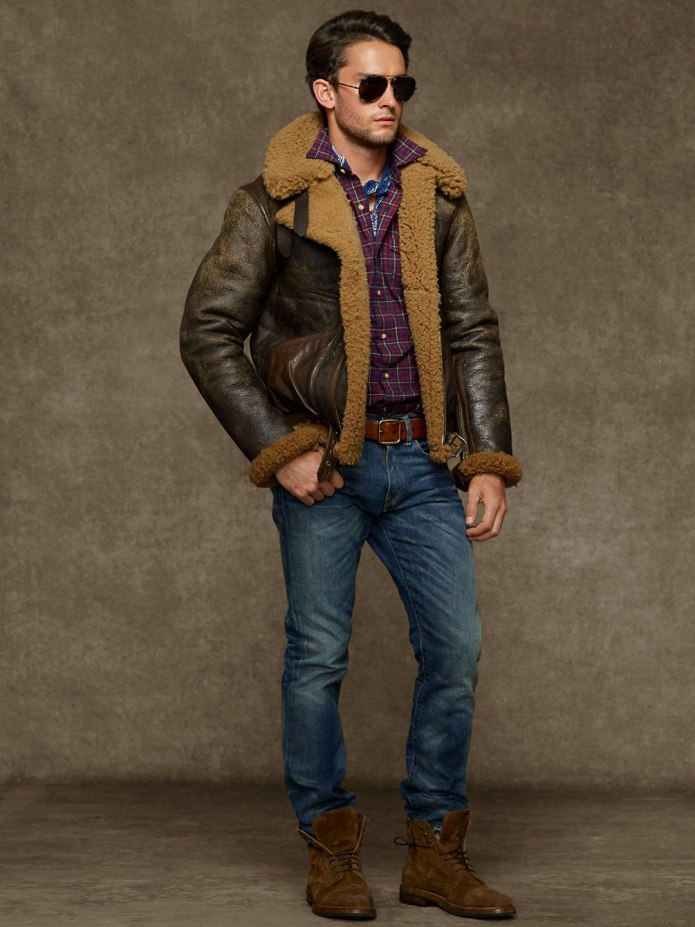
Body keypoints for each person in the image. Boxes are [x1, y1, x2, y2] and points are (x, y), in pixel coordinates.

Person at [181, 9, 521, 920]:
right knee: (317, 657)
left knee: (455, 648)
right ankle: (330, 852)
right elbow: (208, 330)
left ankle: (435, 854)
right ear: (325, 92)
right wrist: (279, 448)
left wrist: (487, 456)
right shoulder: (270, 202)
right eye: (371, 84)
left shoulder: (437, 197)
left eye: (400, 83)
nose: (389, 99)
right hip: (325, 464)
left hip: (423, 461)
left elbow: (472, 330)